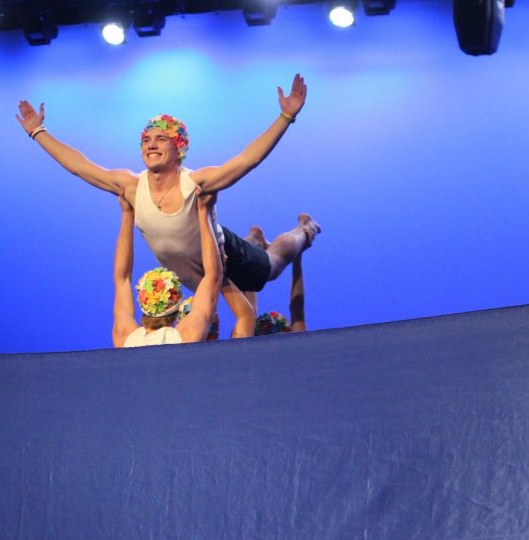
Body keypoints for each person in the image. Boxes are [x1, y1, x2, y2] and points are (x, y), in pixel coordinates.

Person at [16, 75, 320, 337]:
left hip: (226, 257)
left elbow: (247, 160)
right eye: (146, 139)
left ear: (179, 148)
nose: (151, 144)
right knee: (239, 298)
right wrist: (37, 132)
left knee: (273, 266)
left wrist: (285, 118)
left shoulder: (196, 184)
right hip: (195, 273)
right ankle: (255, 238)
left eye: (161, 139)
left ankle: (304, 230)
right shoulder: (131, 186)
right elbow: (80, 167)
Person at [112, 191, 221, 347]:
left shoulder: (124, 337)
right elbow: (213, 275)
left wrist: (127, 213)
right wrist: (204, 213)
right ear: (177, 308)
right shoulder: (186, 336)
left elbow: (121, 278)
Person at [243, 226, 308, 335]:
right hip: (256, 340)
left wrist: (297, 255)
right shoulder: (297, 344)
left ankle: (252, 242)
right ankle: (252, 243)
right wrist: (297, 256)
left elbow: (297, 312)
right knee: (247, 313)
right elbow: (297, 312)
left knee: (247, 314)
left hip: (250, 340)